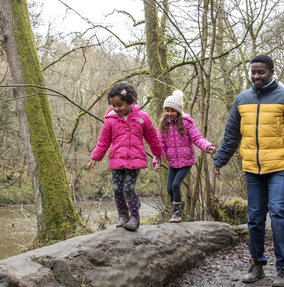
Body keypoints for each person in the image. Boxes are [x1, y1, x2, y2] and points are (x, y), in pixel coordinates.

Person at [213, 55, 284, 287]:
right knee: (254, 218)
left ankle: (283, 270)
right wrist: (220, 159)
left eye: (261, 72)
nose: (256, 76)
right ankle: (257, 264)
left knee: (278, 212)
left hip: (280, 166)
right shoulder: (242, 99)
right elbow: (232, 134)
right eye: (253, 72)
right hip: (252, 167)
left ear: (271, 72)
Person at [89, 82, 163, 231]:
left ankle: (135, 218)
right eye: (113, 105)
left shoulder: (142, 117)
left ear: (130, 101)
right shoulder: (110, 120)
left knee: (128, 188)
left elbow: (152, 137)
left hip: (135, 160)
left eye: (119, 105)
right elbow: (103, 141)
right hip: (117, 160)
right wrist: (96, 157)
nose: (116, 108)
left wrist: (158, 154)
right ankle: (123, 216)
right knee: (117, 189)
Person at [152, 90, 216, 223]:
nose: (169, 113)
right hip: (172, 162)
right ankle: (177, 202)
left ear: (179, 111)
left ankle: (177, 214)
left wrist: (207, 146)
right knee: (169, 188)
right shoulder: (163, 125)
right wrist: (157, 160)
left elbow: (198, 138)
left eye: (173, 110)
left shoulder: (186, 123)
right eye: (167, 110)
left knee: (176, 185)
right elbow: (160, 145)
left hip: (186, 161)